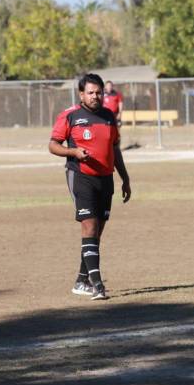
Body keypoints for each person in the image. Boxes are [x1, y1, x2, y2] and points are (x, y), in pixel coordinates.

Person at [49, 74, 131, 300]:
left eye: (99, 92)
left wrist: (125, 177)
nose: (96, 96)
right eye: (91, 92)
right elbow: (53, 145)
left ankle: (81, 281)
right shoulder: (70, 116)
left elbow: (115, 149)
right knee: (89, 227)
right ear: (81, 94)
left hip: (105, 179)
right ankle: (97, 285)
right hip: (81, 176)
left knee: (96, 233)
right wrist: (73, 152)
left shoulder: (108, 117)